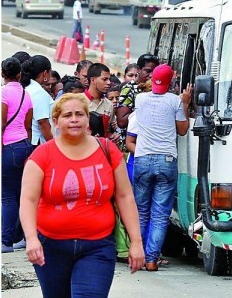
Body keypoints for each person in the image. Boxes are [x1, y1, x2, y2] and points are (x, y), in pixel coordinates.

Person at [19, 93, 145, 297]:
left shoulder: (107, 150)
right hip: (51, 247)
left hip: (97, 247)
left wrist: (136, 242)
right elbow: (28, 200)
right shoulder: (42, 155)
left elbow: (125, 196)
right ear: (56, 121)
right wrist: (31, 238)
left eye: (80, 114)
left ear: (88, 119)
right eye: (67, 115)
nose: (74, 119)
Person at [132, 64, 192, 271]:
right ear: (172, 82)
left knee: (140, 212)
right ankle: (151, 260)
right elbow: (183, 130)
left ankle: (137, 257)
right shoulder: (174, 101)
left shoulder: (140, 99)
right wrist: (185, 103)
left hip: (142, 158)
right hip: (166, 160)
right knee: (159, 214)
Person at [1, 57, 34, 253]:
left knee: (7, 197)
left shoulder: (3, 93)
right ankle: (20, 237)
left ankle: (5, 241)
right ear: (20, 75)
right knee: (20, 195)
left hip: (8, 146)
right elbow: (28, 126)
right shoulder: (26, 94)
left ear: (3, 74)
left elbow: (1, 124)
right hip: (23, 145)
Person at [116, 54, 160, 150]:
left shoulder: (158, 89)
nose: (151, 75)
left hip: (153, 146)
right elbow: (122, 121)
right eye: (147, 71)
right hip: (132, 146)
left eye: (154, 71)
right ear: (139, 70)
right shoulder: (129, 89)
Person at [21, 55, 54, 149]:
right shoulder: (39, 93)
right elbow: (43, 122)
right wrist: (53, 146)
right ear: (45, 73)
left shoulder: (27, 87)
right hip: (37, 142)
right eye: (50, 72)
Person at [84, 63, 119, 145]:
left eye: (109, 79)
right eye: (105, 79)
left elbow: (108, 131)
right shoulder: (77, 101)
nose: (109, 83)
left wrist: (113, 136)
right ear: (93, 80)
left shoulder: (109, 105)